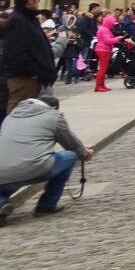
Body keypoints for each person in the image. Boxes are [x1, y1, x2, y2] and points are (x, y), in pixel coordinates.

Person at [0, 94, 92, 224]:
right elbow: (71, 144)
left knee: (6, 184)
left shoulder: (10, 117)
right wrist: (85, 153)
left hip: (2, 172)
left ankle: (2, 204)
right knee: (69, 156)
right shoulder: (54, 117)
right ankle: (47, 205)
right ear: (54, 108)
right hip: (35, 166)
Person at [2, 0, 57, 111]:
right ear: (30, 0)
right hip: (24, 80)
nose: (39, 1)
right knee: (20, 114)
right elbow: (14, 52)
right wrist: (32, 73)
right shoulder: (18, 20)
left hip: (31, 79)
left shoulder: (29, 19)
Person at [93, 14, 120, 92]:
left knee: (102, 68)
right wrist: (117, 38)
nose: (113, 26)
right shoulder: (105, 30)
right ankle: (99, 86)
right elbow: (108, 41)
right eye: (112, 24)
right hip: (104, 50)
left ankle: (101, 85)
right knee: (102, 69)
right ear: (109, 23)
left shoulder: (102, 29)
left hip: (101, 49)